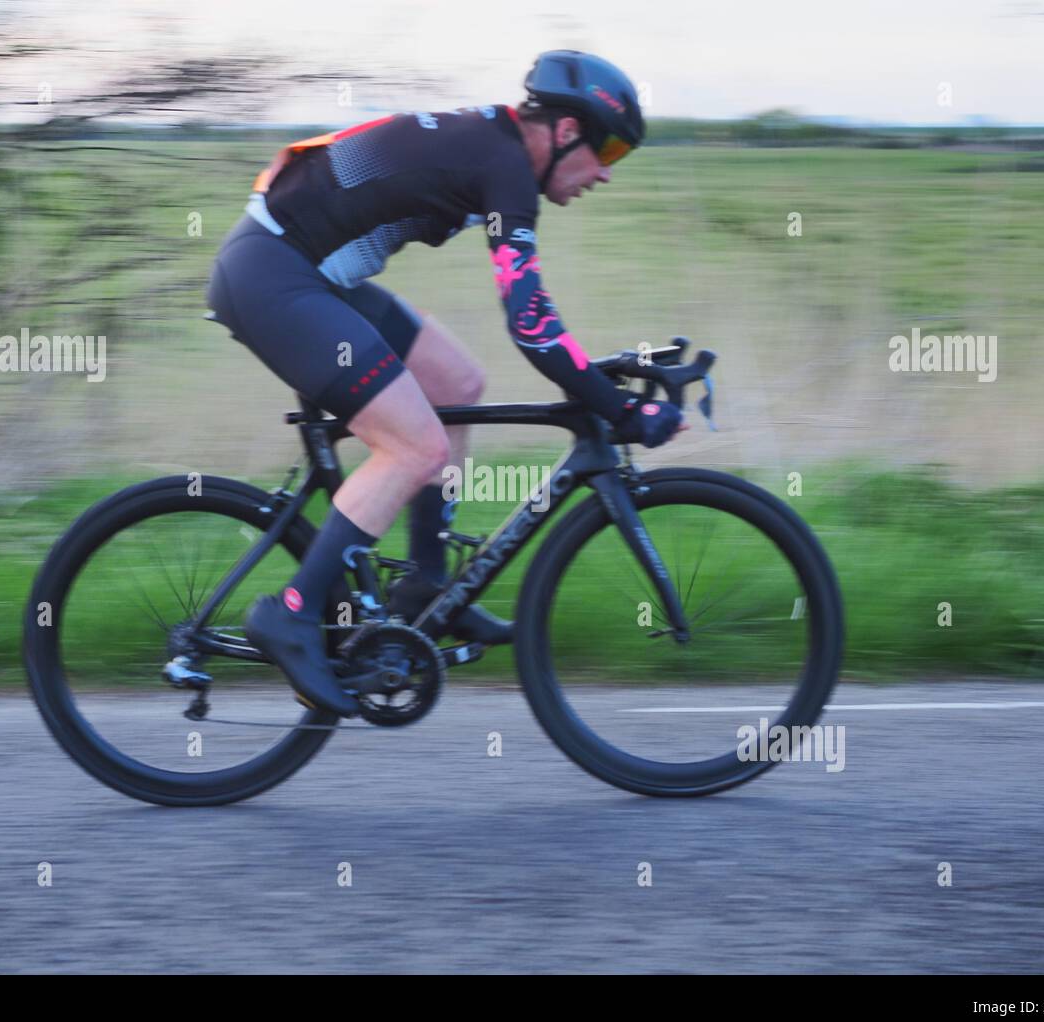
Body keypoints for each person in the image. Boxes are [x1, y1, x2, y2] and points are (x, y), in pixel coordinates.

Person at [206, 50, 685, 716]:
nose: (605, 171)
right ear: (566, 130)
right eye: (607, 148)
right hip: (274, 276)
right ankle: (289, 612)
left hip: (308, 273)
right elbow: (533, 326)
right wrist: (620, 410)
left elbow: (533, 326)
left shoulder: (494, 144)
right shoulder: (504, 164)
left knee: (455, 380)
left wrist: (599, 383)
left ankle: (424, 588)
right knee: (415, 447)